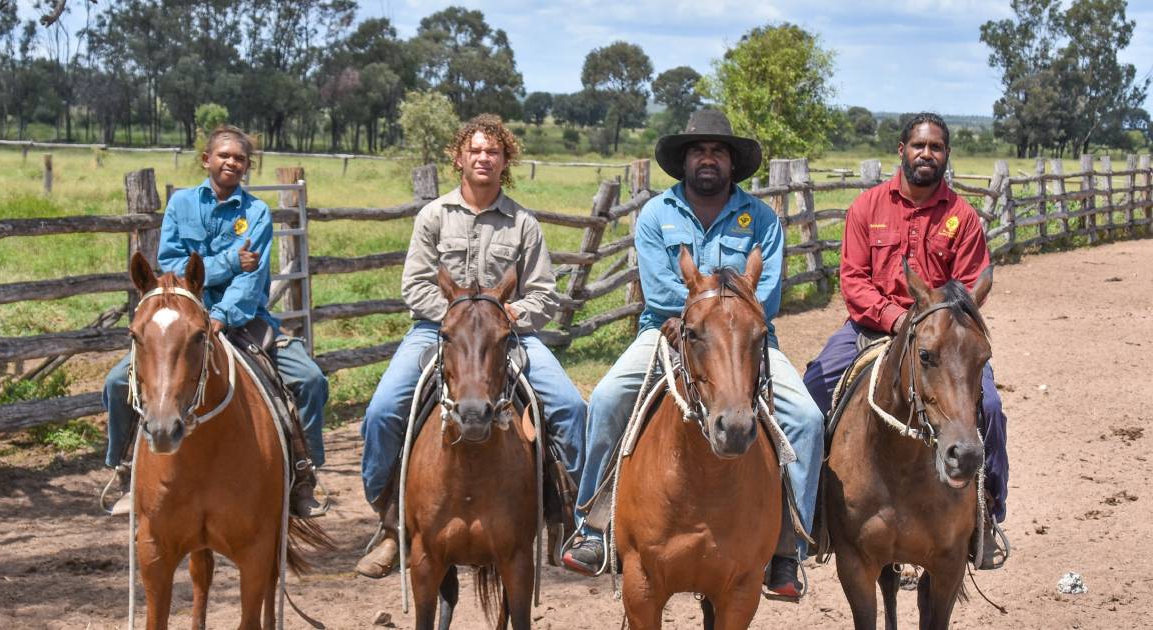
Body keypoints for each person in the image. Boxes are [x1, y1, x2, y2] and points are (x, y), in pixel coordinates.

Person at [562, 109, 824, 600]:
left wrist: (722, 315)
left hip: (747, 341)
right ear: (684, 162)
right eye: (699, 151)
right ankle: (592, 526)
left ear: (731, 163)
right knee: (606, 397)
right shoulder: (658, 215)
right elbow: (662, 293)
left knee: (807, 418)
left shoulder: (761, 219)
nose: (708, 159)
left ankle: (787, 549)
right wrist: (701, 313)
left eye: (718, 151)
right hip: (666, 333)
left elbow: (764, 298)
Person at [355, 114, 587, 579]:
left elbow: (544, 293)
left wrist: (507, 316)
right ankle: (388, 520)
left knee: (570, 406)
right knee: (382, 411)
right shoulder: (434, 216)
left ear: (506, 162)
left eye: (493, 152)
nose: (484, 158)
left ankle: (574, 518)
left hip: (508, 335)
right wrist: (458, 320)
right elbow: (416, 284)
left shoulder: (523, 223)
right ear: (459, 157)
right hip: (437, 332)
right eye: (475, 150)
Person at [801, 112, 1009, 568]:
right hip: (872, 327)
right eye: (919, 146)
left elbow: (973, 289)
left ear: (946, 156)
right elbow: (854, 281)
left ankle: (989, 513)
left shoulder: (962, 218)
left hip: (944, 340)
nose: (926, 154)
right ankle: (808, 512)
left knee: (989, 408)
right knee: (810, 395)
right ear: (902, 150)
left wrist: (936, 328)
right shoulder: (867, 208)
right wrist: (897, 319)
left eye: (936, 147)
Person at [102, 125, 329, 519]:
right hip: (180, 320)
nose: (231, 162)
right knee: (118, 381)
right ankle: (125, 469)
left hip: (241, 320)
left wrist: (219, 318)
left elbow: (251, 279)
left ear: (247, 166)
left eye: (239, 158)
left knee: (308, 380)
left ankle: (302, 473)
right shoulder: (181, 205)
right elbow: (171, 267)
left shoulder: (255, 212)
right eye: (223, 155)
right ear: (206, 159)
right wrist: (226, 263)